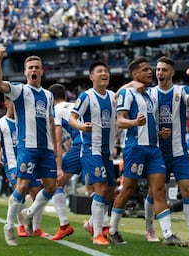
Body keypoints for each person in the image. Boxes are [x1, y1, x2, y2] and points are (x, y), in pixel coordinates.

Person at [108, 56, 181, 245]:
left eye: (151, 69)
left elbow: (148, 123)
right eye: (146, 69)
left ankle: (167, 234)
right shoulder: (129, 93)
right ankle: (113, 229)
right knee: (128, 189)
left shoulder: (149, 96)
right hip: (135, 148)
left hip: (154, 149)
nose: (151, 72)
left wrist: (159, 132)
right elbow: (120, 120)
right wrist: (134, 122)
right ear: (135, 74)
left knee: (159, 189)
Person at [0, 47, 57, 246]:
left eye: (37, 67)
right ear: (25, 72)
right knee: (21, 187)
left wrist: (55, 148)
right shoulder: (20, 90)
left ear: (42, 71)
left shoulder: (48, 95)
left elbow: (50, 121)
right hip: (27, 147)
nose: (34, 70)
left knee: (51, 187)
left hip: (45, 148)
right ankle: (8, 226)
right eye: (30, 67)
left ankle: (28, 213)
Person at [148, 56, 189, 248]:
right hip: (157, 152)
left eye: (164, 70)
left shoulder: (180, 91)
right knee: (155, 192)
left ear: (172, 73)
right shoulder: (150, 93)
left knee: (188, 189)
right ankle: (149, 227)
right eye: (158, 69)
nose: (160, 73)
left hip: (179, 151)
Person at [69, 61, 117, 245]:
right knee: (101, 188)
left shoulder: (113, 97)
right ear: (92, 77)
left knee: (110, 192)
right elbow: (72, 117)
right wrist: (82, 126)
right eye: (100, 71)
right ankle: (98, 234)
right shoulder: (86, 97)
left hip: (107, 152)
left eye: (106, 71)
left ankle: (91, 223)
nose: (104, 73)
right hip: (91, 149)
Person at [0, 96, 49, 246]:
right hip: (12, 164)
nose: (16, 105)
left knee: (37, 192)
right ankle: (20, 226)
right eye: (12, 102)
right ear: (6, 104)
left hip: (30, 160)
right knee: (21, 191)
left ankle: (35, 227)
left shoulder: (25, 121)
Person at [47, 83, 76, 240]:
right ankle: (99, 226)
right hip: (96, 145)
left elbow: (57, 142)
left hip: (81, 146)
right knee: (95, 187)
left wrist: (58, 167)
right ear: (65, 97)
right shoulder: (75, 104)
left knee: (57, 182)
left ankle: (64, 225)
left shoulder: (55, 110)